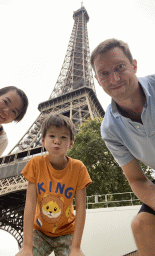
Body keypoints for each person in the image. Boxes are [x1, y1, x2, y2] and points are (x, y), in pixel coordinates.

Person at [90, 38, 155, 255]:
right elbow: (137, 179)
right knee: (141, 226)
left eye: (120, 67)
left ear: (134, 65)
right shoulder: (109, 129)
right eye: (104, 73)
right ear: (97, 80)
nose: (114, 78)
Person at [16, 114, 91, 256]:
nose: (57, 141)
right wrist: (26, 246)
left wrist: (76, 247)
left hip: (67, 232)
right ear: (43, 141)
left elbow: (81, 208)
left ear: (71, 143)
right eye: (52, 136)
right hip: (39, 231)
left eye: (63, 137)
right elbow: (30, 203)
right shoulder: (35, 164)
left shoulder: (78, 168)